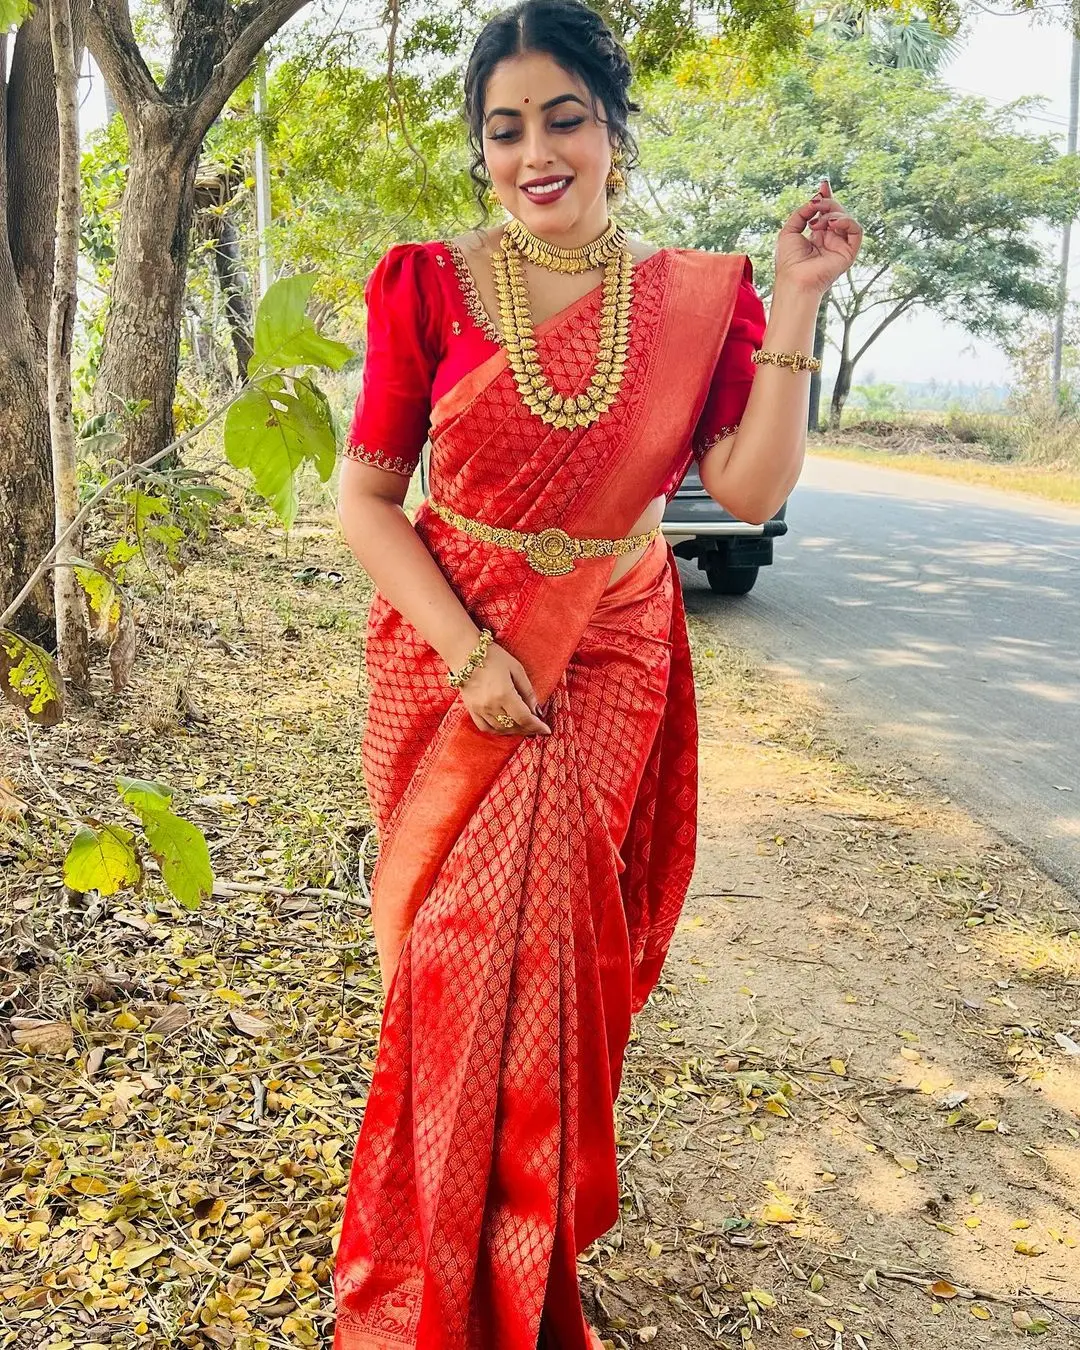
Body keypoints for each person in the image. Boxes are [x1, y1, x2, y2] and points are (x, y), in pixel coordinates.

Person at [332, 2, 862, 1344]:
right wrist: (472, 653)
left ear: (615, 133)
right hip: (454, 653)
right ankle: (421, 1279)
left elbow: (742, 486)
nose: (536, 151)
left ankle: (524, 1270)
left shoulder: (696, 299)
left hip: (609, 645)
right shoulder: (429, 283)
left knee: (560, 965)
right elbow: (367, 503)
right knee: (451, 960)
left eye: (564, 118)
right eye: (505, 129)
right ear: (482, 152)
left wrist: (795, 299)